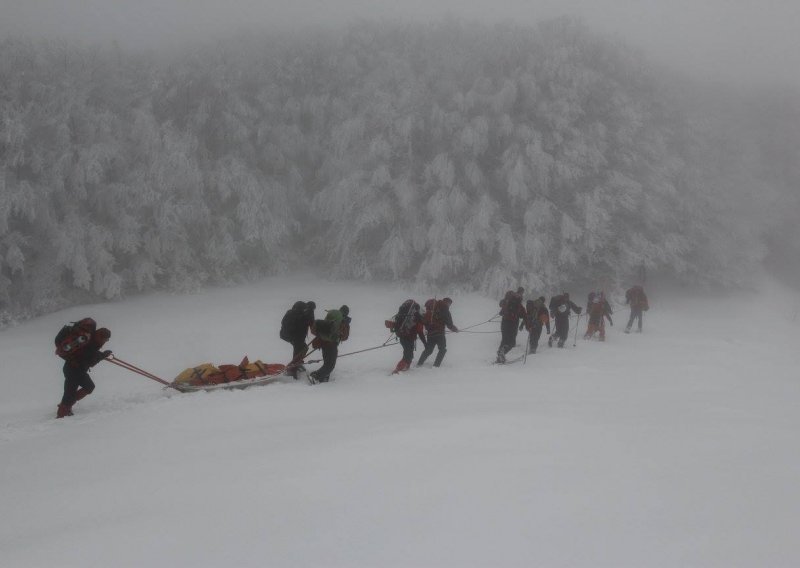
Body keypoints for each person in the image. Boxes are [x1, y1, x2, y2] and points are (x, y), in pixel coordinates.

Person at [54, 318, 112, 418]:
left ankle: (67, 406)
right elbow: (89, 360)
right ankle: (61, 416)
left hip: (75, 369)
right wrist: (102, 356)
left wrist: (102, 355)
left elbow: (89, 355)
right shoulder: (89, 341)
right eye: (105, 340)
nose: (105, 342)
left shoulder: (91, 340)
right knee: (71, 393)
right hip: (73, 369)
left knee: (88, 387)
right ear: (100, 336)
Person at [309, 305, 350, 383]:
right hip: (331, 344)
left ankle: (324, 377)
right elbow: (344, 337)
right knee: (330, 365)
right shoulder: (342, 320)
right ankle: (315, 376)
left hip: (323, 342)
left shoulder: (333, 314)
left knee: (327, 361)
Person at [386, 300, 426, 373]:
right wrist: (425, 343)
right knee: (408, 355)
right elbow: (420, 332)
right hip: (409, 337)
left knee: (409, 354)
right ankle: (397, 370)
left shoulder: (406, 315)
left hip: (402, 336)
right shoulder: (417, 317)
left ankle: (406, 368)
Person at [417, 297, 459, 367]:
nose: (449, 305)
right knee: (442, 349)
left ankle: (419, 363)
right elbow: (449, 324)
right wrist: (455, 329)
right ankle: (436, 366)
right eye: (449, 304)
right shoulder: (445, 309)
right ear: (448, 303)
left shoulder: (434, 307)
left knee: (429, 350)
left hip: (430, 332)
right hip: (439, 333)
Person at [280, 300, 316, 378]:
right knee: (300, 350)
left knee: (302, 349)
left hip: (286, 334)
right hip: (295, 336)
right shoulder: (303, 315)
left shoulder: (292, 311)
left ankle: (296, 364)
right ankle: (292, 370)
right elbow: (311, 324)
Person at [496, 288, 526, 363]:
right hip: (513, 324)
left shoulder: (508, 299)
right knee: (512, 342)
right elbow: (524, 315)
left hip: (504, 322)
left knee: (504, 339)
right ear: (521, 293)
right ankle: (502, 353)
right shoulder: (518, 303)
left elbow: (500, 304)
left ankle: (500, 355)